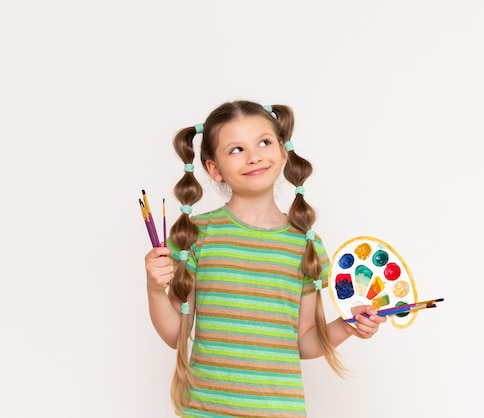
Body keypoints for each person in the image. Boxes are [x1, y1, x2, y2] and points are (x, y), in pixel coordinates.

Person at [144, 100, 386, 417]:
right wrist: (153, 289)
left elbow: (304, 342)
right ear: (214, 169)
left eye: (264, 142)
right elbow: (176, 335)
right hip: (205, 410)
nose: (254, 155)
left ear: (283, 151)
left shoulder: (306, 243)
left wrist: (349, 325)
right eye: (236, 150)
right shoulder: (196, 235)